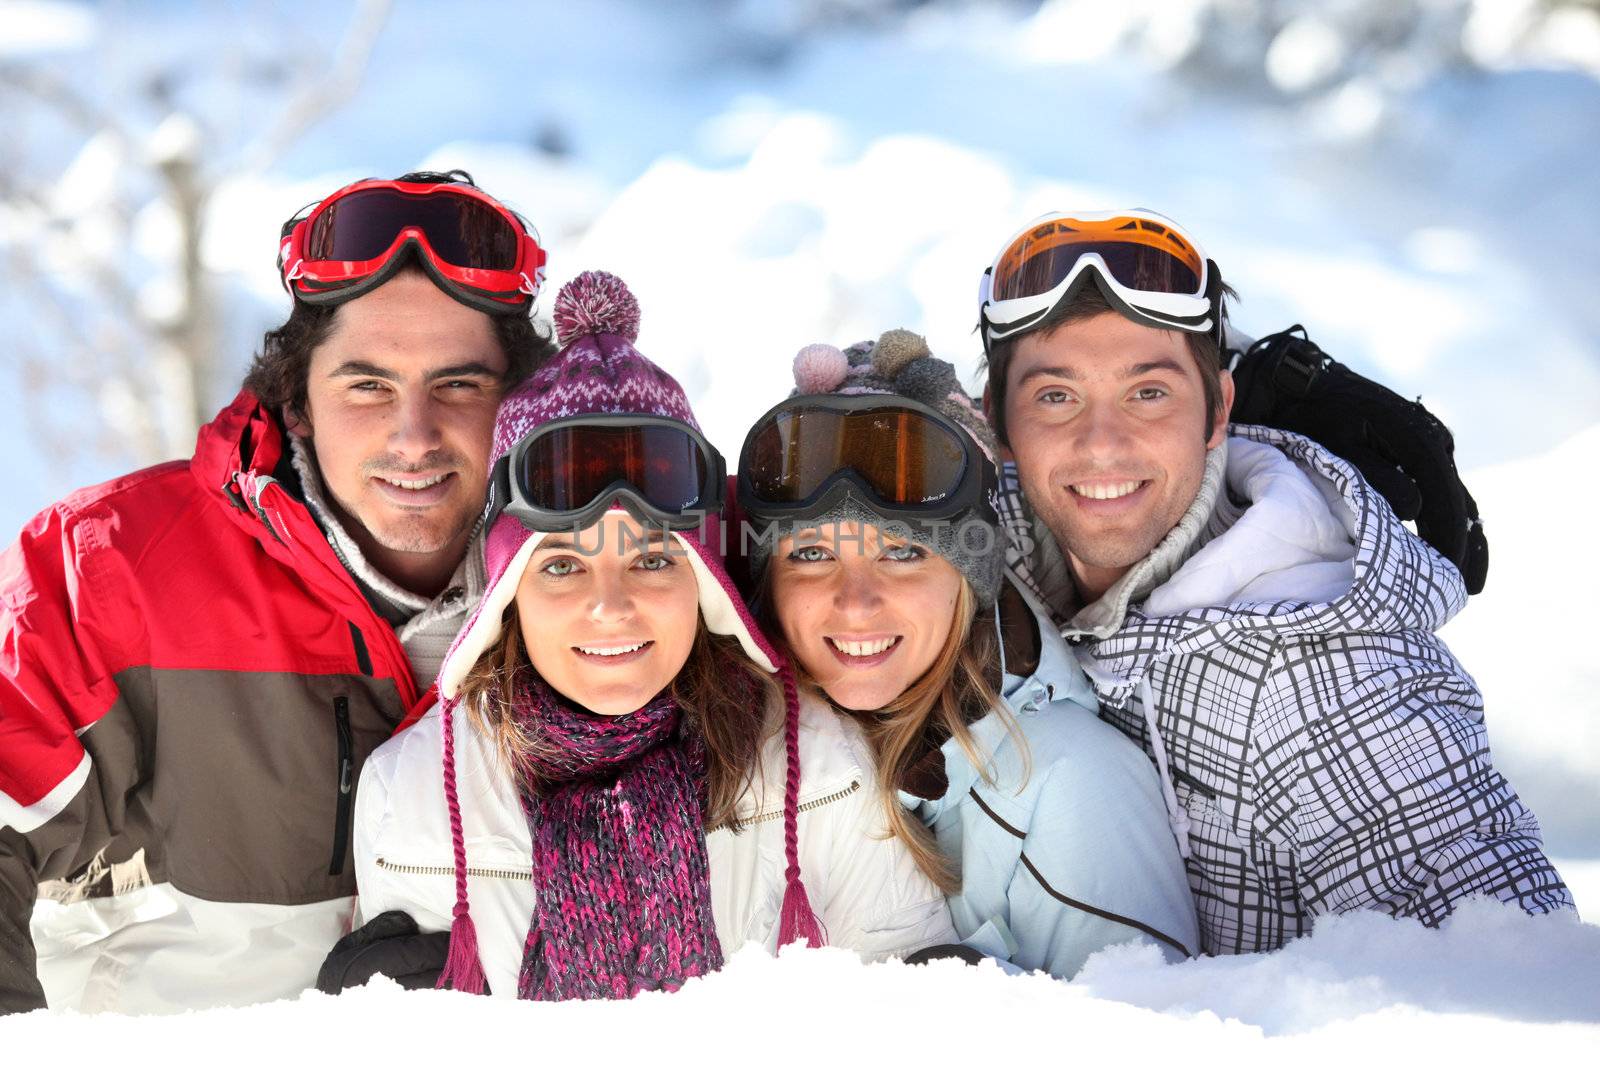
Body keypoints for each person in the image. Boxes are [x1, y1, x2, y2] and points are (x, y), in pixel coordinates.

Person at [0, 170, 556, 1014]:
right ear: (295, 397)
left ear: (518, 400)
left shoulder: (603, 589)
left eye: (459, 384)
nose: (414, 436)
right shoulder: (105, 568)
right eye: (367, 385)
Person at [338, 273, 955, 1000]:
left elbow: (910, 1020)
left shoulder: (814, 761)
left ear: (703, 584)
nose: (611, 606)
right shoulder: (409, 792)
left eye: (653, 559)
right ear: (510, 595)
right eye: (563, 564)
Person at [976, 208, 1573, 955]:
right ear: (999, 425)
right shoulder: (999, 537)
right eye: (1056, 397)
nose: (1102, 445)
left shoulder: (1327, 680)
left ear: (1220, 408)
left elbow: (1513, 979)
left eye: (1149, 392)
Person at [735, 329, 1199, 978]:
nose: (857, 601)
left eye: (902, 551)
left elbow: (1147, 1034)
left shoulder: (1075, 785)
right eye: (812, 553)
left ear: (970, 576)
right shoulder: (728, 750)